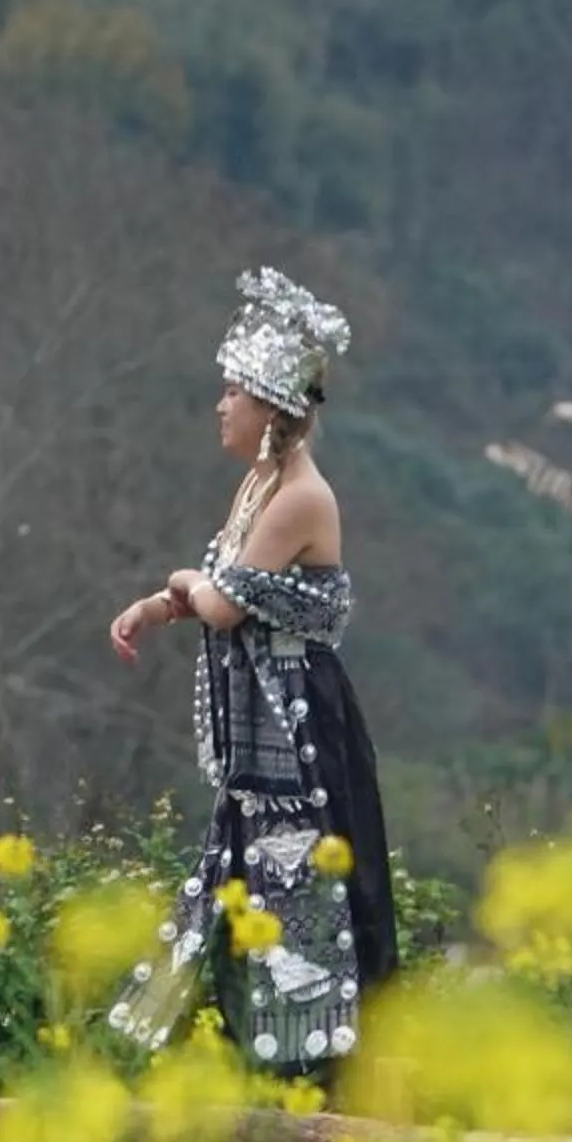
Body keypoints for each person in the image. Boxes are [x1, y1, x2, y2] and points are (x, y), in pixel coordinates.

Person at [103, 267, 399, 1077]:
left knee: (308, 880)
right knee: (243, 870)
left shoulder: (302, 497)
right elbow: (212, 589)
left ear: (271, 407)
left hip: (301, 730)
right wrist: (157, 603)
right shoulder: (258, 484)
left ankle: (325, 1071)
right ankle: (229, 1053)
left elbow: (226, 602)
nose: (221, 405)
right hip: (259, 729)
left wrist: (184, 591)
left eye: (233, 391)